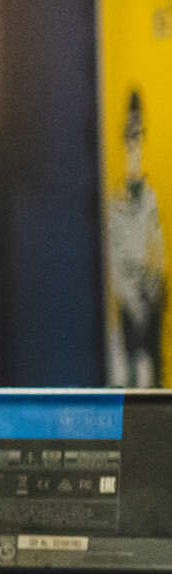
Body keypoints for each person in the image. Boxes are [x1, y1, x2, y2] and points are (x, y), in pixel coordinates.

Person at [108, 88, 165, 388]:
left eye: (139, 133)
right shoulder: (116, 205)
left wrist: (151, 289)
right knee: (132, 378)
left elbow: (158, 253)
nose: (135, 144)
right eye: (131, 134)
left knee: (152, 378)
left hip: (149, 301)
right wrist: (134, 300)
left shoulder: (150, 201)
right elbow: (116, 264)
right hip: (131, 307)